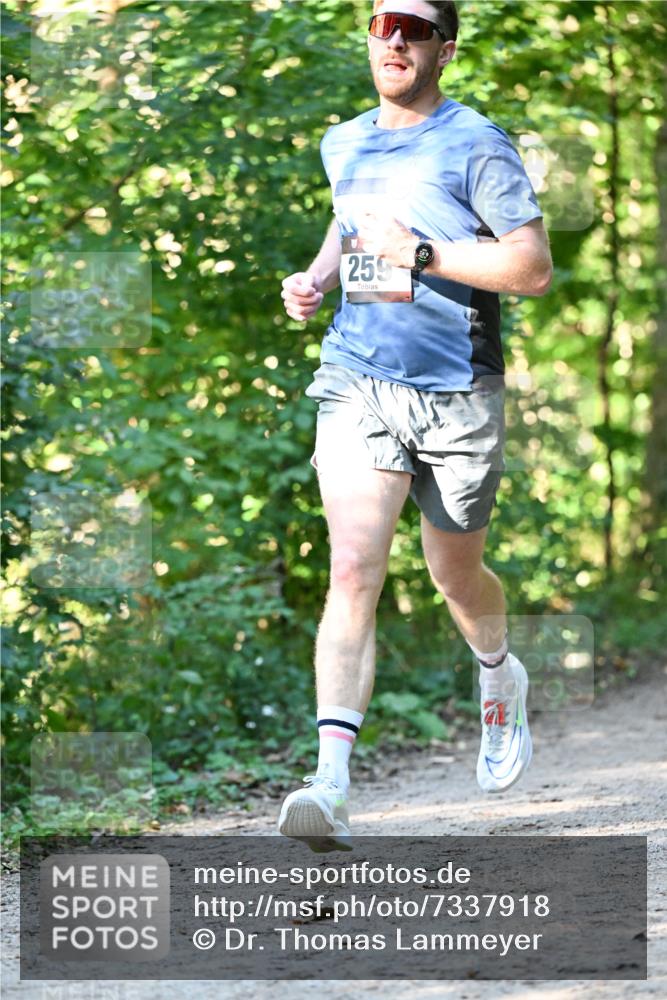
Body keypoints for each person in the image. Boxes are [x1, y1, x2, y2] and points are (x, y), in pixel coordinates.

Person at [278, 0, 552, 849]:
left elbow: (531, 268)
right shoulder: (343, 140)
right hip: (357, 374)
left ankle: (498, 676)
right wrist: (318, 275)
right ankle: (329, 783)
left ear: (444, 49)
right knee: (355, 566)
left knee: (452, 576)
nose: (392, 39)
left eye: (413, 28)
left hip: (456, 388)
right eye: (379, 25)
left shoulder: (478, 143)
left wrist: (423, 256)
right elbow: (349, 217)